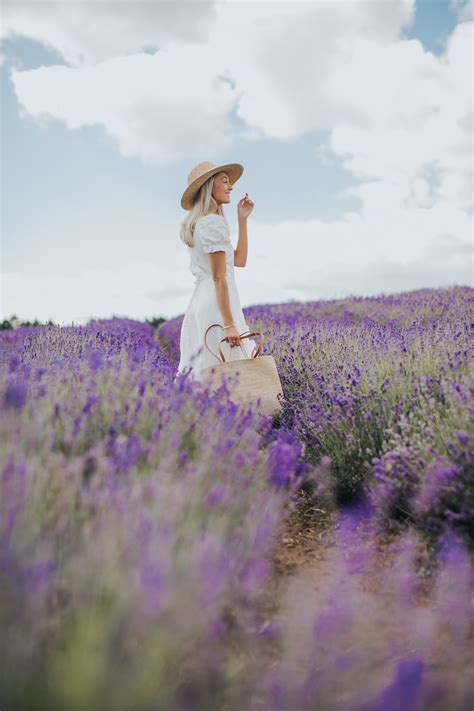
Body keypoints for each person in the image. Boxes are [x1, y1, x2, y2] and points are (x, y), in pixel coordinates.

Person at [175, 160, 258, 381]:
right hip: (218, 305)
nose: (230, 186)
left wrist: (242, 220)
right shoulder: (213, 223)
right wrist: (229, 324)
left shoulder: (203, 223)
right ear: (210, 186)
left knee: (207, 372)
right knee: (230, 373)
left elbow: (239, 261)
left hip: (202, 302)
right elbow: (219, 277)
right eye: (224, 181)